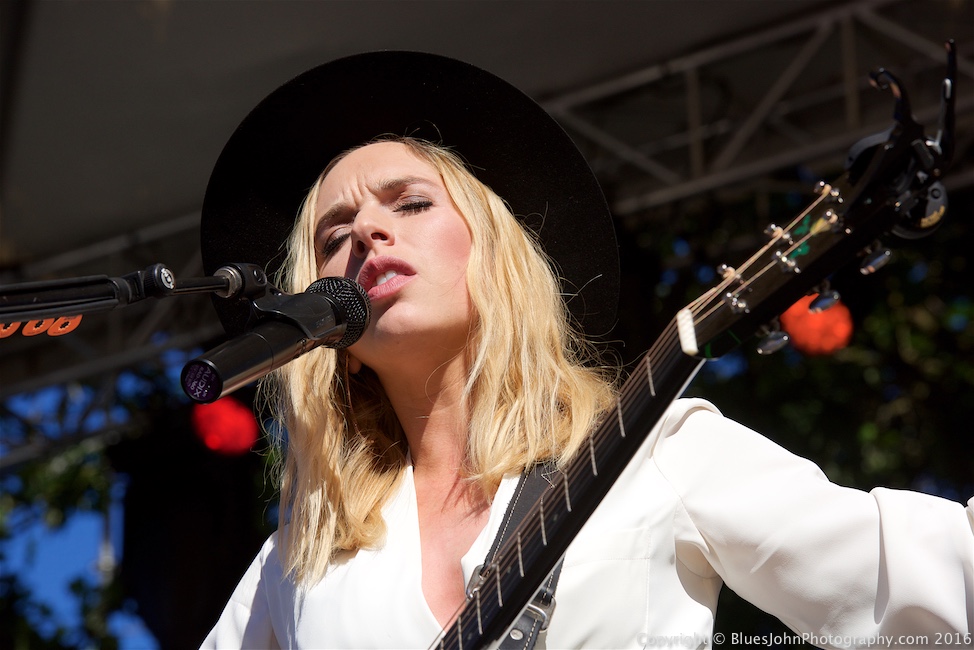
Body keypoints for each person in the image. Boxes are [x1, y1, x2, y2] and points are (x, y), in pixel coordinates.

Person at [199, 52, 973, 649]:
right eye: (335, 235)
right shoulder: (297, 559)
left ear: (495, 256)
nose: (367, 231)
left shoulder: (652, 453)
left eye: (410, 203)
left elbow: (924, 579)